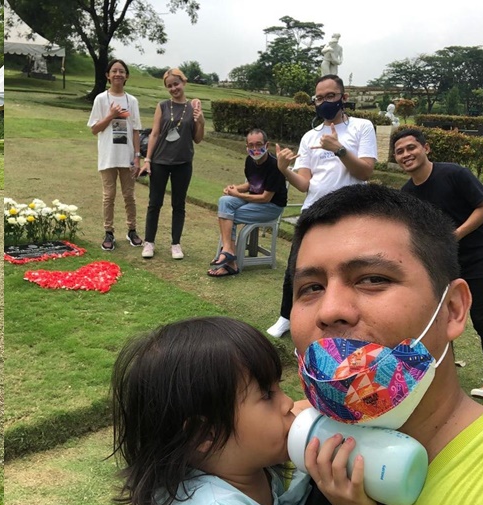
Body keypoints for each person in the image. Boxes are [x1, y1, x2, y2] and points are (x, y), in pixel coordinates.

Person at [288, 184, 483, 505]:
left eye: (372, 279)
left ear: (452, 309)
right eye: (312, 287)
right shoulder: (286, 446)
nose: (329, 310)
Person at [111, 317, 375, 505]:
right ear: (204, 434)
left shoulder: (240, 461)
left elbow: (299, 408)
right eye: (267, 395)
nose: (286, 404)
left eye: (278, 387)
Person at [393, 128, 483, 402]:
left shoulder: (454, 173)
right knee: (439, 319)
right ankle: (440, 371)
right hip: (446, 263)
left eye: (411, 148)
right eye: (400, 152)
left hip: (481, 258)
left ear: (426, 148)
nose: (406, 154)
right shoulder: (407, 193)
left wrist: (453, 236)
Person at [266, 74, 376, 338]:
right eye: (319, 98)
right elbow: (304, 183)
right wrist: (284, 169)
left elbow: (366, 172)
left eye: (331, 96)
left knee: (346, 268)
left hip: (350, 210)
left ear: (343, 98)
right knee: (299, 266)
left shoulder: (362, 127)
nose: (325, 102)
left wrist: (340, 150)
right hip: (314, 209)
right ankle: (287, 316)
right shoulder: (310, 136)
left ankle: (346, 318)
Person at [139, 68, 205, 260]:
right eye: (169, 86)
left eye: (176, 84)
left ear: (183, 82)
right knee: (154, 203)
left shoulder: (194, 107)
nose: (174, 88)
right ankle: (149, 242)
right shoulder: (163, 106)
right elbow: (155, 133)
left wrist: (201, 122)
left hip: (183, 162)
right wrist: (148, 160)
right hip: (160, 161)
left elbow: (197, 139)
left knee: (179, 204)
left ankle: (176, 244)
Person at [207, 128, 287, 277]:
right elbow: (252, 185)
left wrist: (238, 195)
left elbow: (265, 198)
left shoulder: (275, 166)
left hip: (271, 207)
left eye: (259, 144)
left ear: (267, 145)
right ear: (247, 146)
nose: (255, 149)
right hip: (255, 202)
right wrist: (234, 189)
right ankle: (228, 251)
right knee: (224, 201)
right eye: (251, 145)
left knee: (229, 216)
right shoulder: (250, 160)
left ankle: (230, 261)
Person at [88, 58, 143, 251]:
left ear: (126, 76)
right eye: (114, 71)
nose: (118, 74)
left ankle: (132, 230)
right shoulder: (101, 99)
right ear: (108, 75)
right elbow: (95, 129)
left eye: (122, 71)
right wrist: (111, 115)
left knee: (129, 196)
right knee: (108, 196)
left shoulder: (132, 101)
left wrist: (137, 156)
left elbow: (136, 130)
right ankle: (109, 232)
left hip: (127, 156)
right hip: (108, 156)